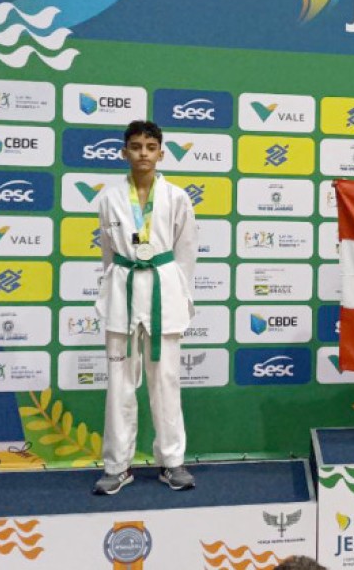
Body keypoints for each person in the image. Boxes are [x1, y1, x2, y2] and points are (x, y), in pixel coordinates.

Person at [92, 120, 198, 494]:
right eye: (135, 146)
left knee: (166, 381)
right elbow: (108, 254)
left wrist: (179, 296)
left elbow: (186, 254)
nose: (142, 153)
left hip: (163, 291)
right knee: (120, 384)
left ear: (161, 152)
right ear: (124, 152)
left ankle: (172, 461)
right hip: (123, 290)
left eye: (150, 147)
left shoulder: (178, 197)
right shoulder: (108, 198)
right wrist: (114, 288)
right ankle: (117, 465)